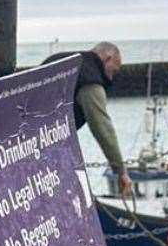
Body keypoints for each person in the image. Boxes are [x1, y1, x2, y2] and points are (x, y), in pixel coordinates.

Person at [43, 41, 132, 198]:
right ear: (107, 58)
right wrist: (121, 171)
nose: (111, 78)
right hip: (43, 147)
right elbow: (102, 127)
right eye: (114, 70)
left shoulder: (60, 59)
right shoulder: (90, 79)